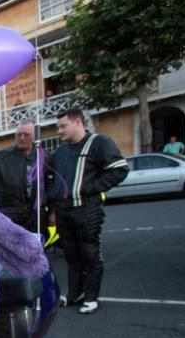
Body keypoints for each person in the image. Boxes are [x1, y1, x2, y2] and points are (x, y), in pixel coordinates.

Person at [49, 108, 129, 314]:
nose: (59, 131)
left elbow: (120, 170)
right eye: (58, 127)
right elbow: (52, 179)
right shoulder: (60, 151)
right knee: (71, 256)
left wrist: (91, 188)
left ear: (78, 122)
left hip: (88, 211)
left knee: (90, 254)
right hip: (64, 212)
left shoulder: (100, 143)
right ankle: (75, 293)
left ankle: (92, 297)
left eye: (63, 126)